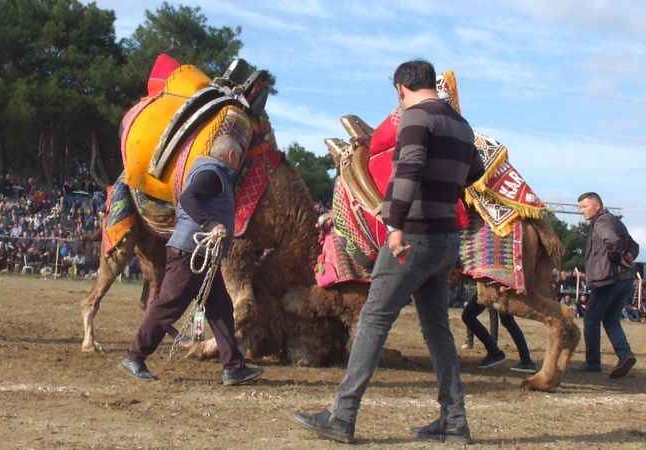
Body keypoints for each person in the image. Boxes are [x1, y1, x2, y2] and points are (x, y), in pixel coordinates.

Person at [292, 60, 484, 444]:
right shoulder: (461, 126)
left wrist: (394, 225)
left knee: (374, 321)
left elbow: (409, 169)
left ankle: (341, 417)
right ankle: (454, 420)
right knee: (437, 330)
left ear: (400, 88)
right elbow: (476, 172)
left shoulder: (414, 118)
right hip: (447, 238)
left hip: (413, 235)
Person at [118, 134, 263, 386]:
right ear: (231, 156)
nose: (239, 161)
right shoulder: (212, 174)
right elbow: (188, 199)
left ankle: (233, 367)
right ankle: (134, 356)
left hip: (200, 255)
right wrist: (212, 224)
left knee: (220, 310)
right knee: (168, 307)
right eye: (238, 155)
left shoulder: (211, 172)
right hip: (189, 253)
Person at [577, 192, 637, 378]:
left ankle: (593, 363)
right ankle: (625, 355)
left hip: (608, 281)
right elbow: (634, 246)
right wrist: (626, 261)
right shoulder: (613, 220)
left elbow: (613, 242)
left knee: (590, 320)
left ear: (596, 205)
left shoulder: (602, 221)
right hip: (624, 280)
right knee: (610, 320)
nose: (582, 211)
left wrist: (617, 258)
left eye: (584, 206)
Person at [461, 282, 537, 373]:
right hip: (500, 281)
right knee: (507, 321)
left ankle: (495, 353)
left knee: (468, 315)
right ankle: (525, 360)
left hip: (493, 282)